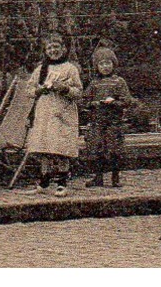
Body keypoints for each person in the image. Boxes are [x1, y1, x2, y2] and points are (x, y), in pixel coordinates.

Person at [24, 31, 82, 196]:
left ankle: (62, 183)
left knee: (61, 147)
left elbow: (78, 91)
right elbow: (29, 90)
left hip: (63, 111)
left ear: (63, 49)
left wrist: (64, 88)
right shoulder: (41, 69)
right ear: (45, 50)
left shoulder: (70, 68)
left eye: (56, 47)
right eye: (50, 48)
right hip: (44, 110)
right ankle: (43, 182)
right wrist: (39, 89)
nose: (53, 51)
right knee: (44, 147)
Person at [82, 45, 135, 189]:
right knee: (97, 149)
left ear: (114, 64)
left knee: (114, 151)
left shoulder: (119, 82)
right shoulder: (94, 83)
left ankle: (115, 178)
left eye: (108, 63)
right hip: (98, 121)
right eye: (101, 64)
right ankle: (98, 178)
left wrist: (114, 102)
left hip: (114, 122)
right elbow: (84, 100)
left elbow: (127, 101)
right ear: (96, 66)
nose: (105, 67)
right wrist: (94, 103)